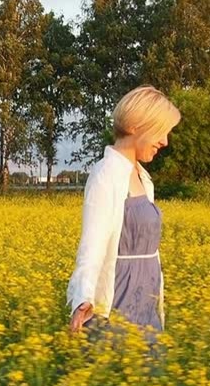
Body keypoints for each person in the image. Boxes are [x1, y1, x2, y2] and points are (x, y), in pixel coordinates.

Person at [65, 85, 181, 351]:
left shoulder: (142, 176)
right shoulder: (106, 175)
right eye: (160, 131)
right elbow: (91, 245)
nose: (165, 141)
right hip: (120, 295)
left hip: (147, 296)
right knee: (121, 375)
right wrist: (83, 298)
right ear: (136, 126)